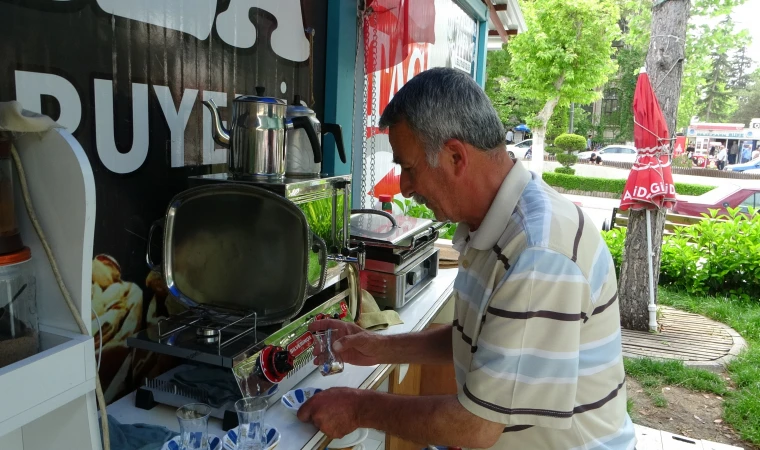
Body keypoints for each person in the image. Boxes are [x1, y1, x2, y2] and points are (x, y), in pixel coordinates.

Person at [297, 67, 635, 449]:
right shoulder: (493, 224)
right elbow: (475, 339)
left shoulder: (539, 254)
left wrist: (359, 409)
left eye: (409, 168)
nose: (405, 186)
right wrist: (376, 347)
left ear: (456, 156)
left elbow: (475, 425)